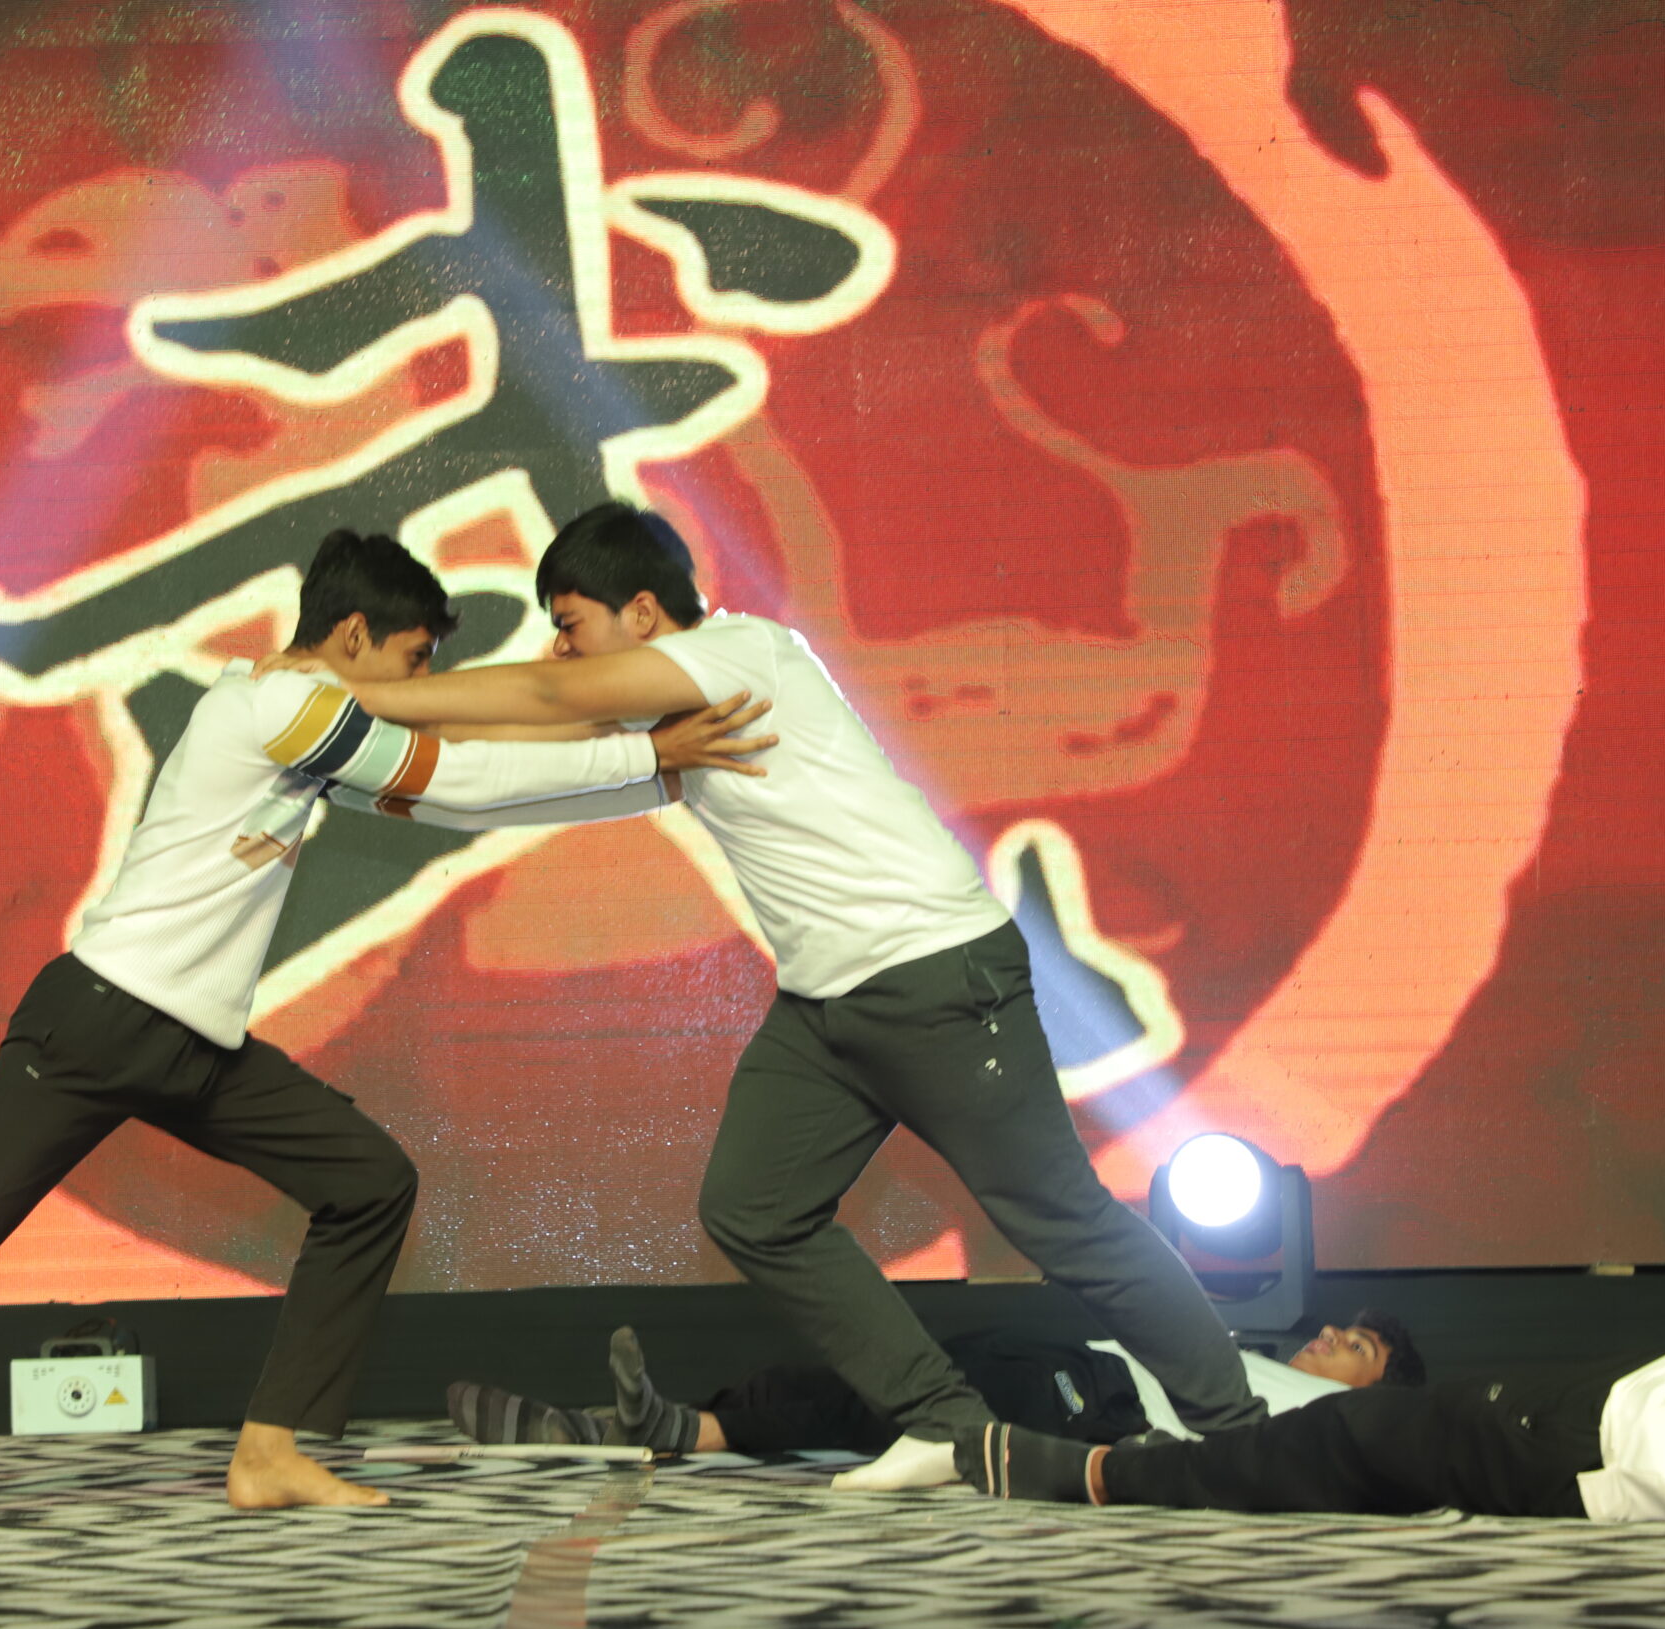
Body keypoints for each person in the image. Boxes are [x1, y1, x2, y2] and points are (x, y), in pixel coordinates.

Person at [0, 529, 774, 1534]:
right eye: (416, 661)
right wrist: (647, 756)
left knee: (368, 1181)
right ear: (351, 635)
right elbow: (461, 782)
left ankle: (274, 1449)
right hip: (96, 1025)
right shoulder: (272, 707)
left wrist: (660, 783)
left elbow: (456, 797)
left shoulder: (311, 725)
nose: (423, 687)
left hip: (194, 1049)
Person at [284, 501, 1268, 1459]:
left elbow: (544, 701)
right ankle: (945, 1424)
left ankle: (1241, 1432)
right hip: (826, 1010)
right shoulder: (676, 714)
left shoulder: (743, 655)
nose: (560, 649)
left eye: (571, 624)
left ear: (641, 613)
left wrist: (353, 689)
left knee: (1061, 1221)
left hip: (933, 976)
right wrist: (332, 722)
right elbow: (507, 751)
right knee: (755, 1208)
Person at [882, 1348, 1665, 1523]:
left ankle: (1098, 1472)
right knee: (1339, 1454)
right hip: (1603, 1428)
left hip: (1605, 1442)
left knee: (1338, 1442)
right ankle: (1111, 1468)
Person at [448, 1315, 1424, 1458]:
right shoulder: (1259, 1358)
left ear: (1377, 1389)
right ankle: (621, 1425)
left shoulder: (1335, 1420)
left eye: (1356, 1346)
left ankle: (660, 1432)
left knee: (879, 1402)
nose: (1330, 1337)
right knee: (847, 1379)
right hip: (1075, 1366)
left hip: (1094, 1402)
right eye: (1341, 1328)